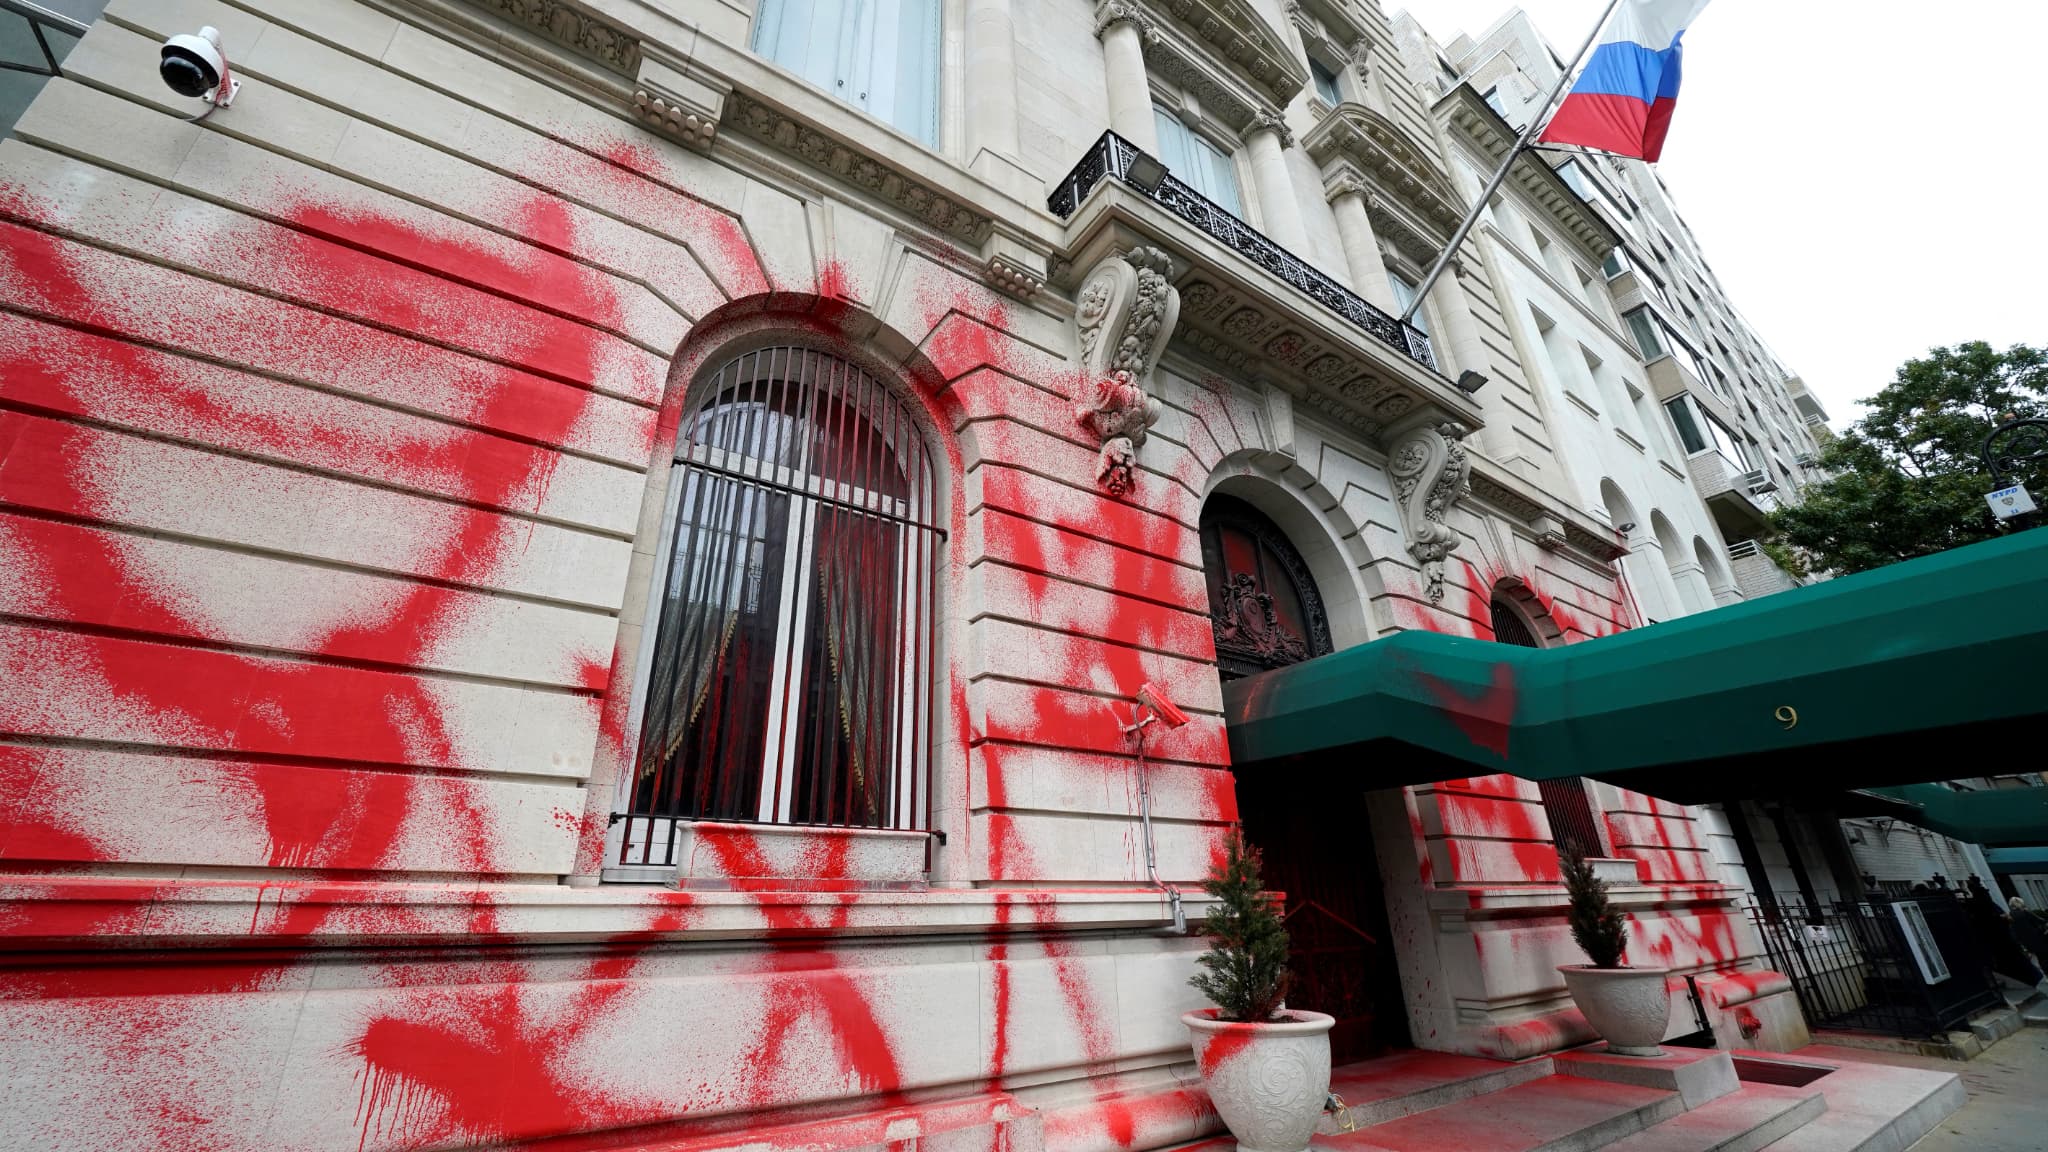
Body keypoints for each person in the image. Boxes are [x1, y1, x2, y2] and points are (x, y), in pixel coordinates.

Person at [1966, 876, 2044, 987]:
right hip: (2016, 940)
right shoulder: (2018, 913)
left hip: (2012, 941)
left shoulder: (2005, 913)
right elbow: (2038, 921)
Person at [2011, 896, 2048, 975]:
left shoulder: (2011, 917)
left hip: (2027, 942)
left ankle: (2046, 974)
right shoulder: (2025, 912)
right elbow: (2040, 920)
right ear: (2020, 903)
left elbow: (2014, 931)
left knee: (2040, 957)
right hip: (2039, 938)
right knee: (2045, 955)